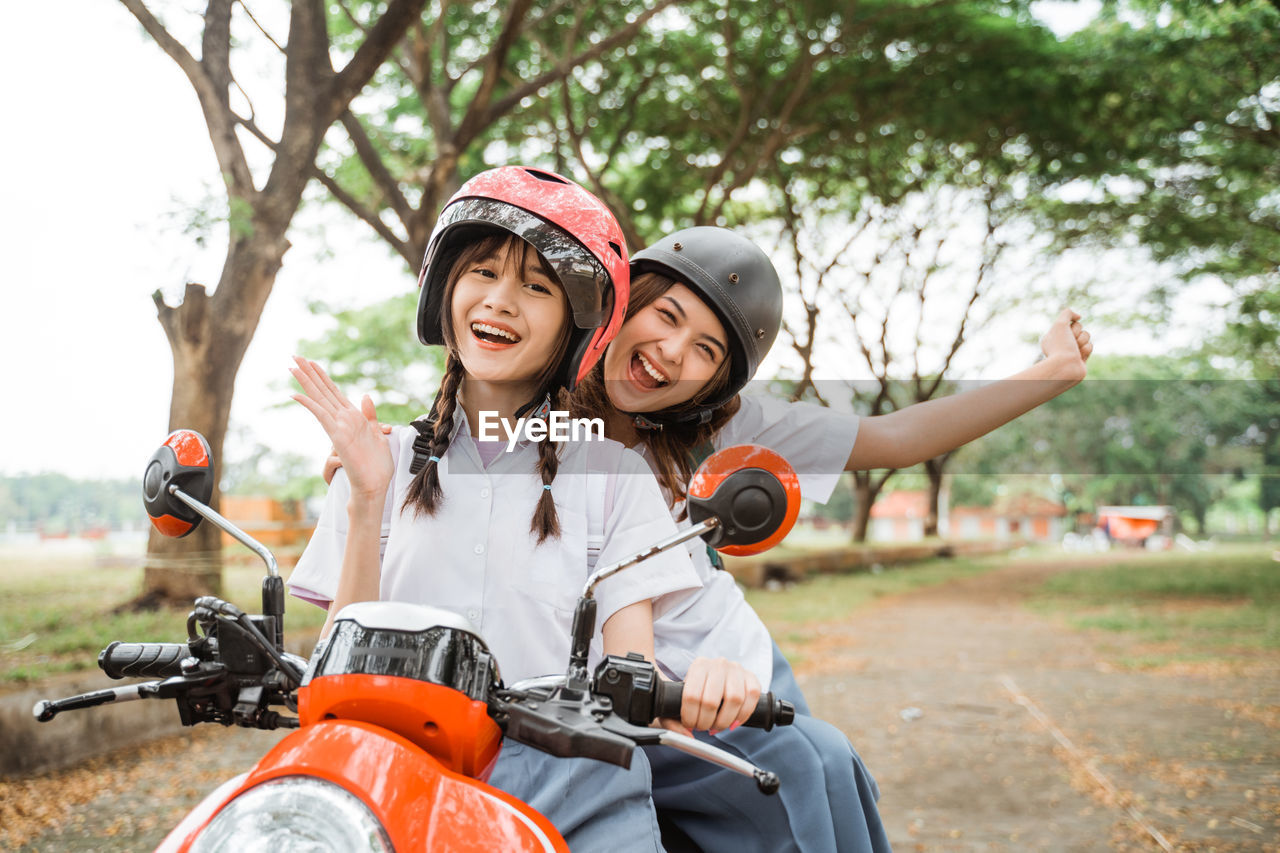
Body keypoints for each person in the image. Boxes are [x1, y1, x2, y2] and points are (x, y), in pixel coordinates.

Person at [287, 167, 760, 852]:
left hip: (576, 790)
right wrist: (365, 497)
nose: (502, 301)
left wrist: (717, 675)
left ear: (577, 328)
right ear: (445, 288)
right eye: (483, 272)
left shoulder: (614, 475)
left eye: (537, 286)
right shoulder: (376, 457)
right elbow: (338, 668)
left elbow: (631, 670)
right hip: (394, 776)